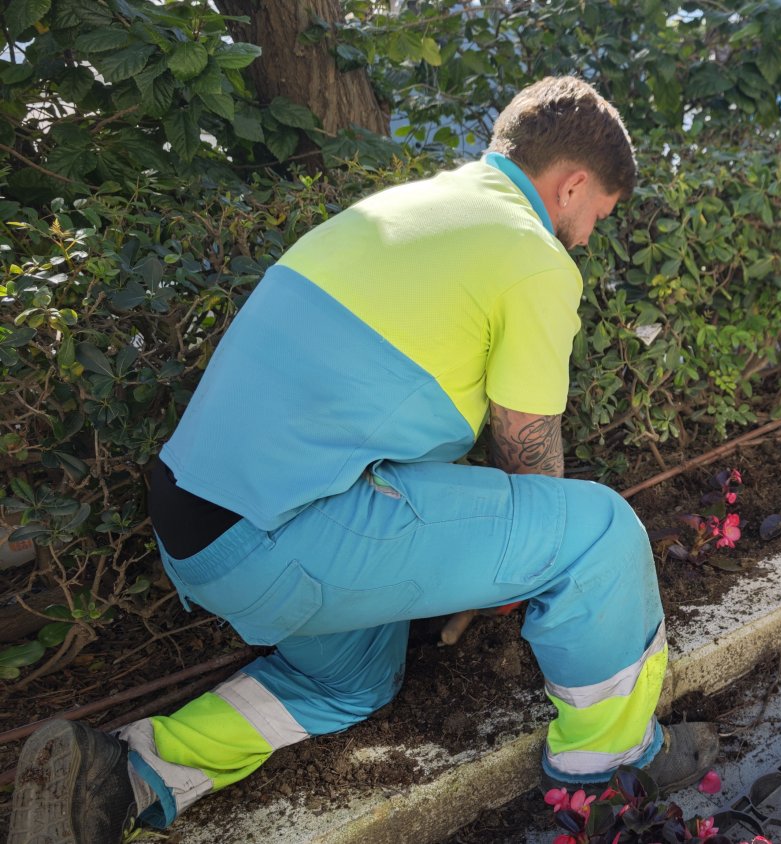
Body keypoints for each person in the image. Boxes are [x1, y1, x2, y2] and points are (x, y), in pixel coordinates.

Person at [8, 76, 717, 844]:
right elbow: (526, 452)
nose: (584, 238)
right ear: (572, 184)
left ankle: (122, 777)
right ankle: (609, 765)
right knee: (598, 531)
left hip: (196, 526)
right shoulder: (532, 254)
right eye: (595, 218)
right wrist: (517, 571)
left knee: (347, 683)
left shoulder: (408, 209)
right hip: (288, 535)